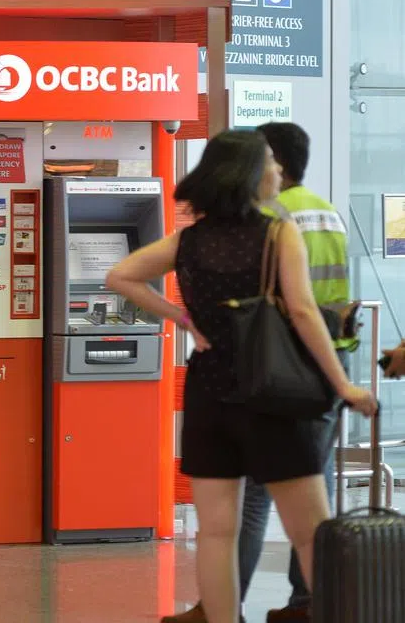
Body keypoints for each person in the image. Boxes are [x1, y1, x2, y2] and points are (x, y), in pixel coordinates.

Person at [105, 130, 377, 623]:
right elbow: (302, 312)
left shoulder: (187, 240)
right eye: (269, 163)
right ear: (252, 174)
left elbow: (120, 276)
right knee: (311, 533)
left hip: (209, 393)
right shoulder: (278, 232)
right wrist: (342, 384)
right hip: (275, 394)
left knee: (216, 533)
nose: (277, 171)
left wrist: (184, 321)